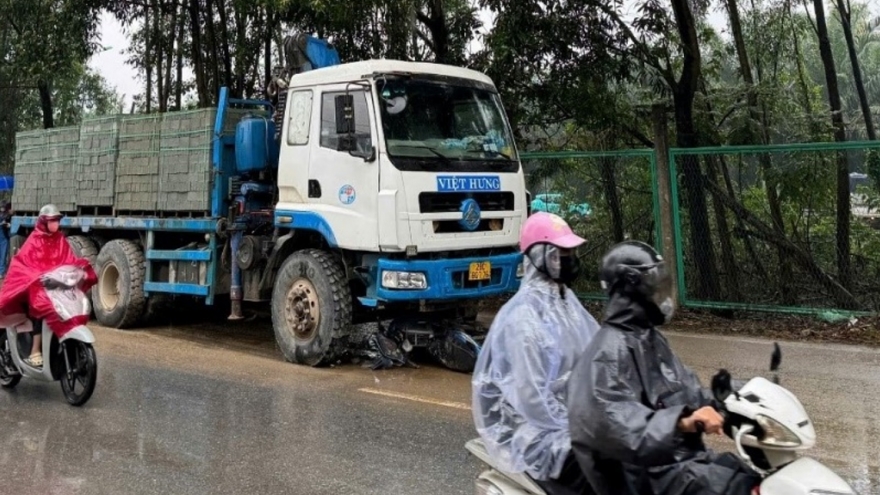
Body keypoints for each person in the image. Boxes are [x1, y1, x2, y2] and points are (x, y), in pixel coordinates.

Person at [567, 241, 761, 495]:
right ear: (631, 286)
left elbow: (684, 392)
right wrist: (683, 422)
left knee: (752, 476)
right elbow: (616, 424)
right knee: (740, 488)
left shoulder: (648, 338)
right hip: (645, 477)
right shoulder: (606, 354)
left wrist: (736, 395)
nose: (662, 294)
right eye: (654, 286)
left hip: (676, 462)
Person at [472, 212, 600, 495]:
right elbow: (532, 400)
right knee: (606, 469)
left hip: (570, 423)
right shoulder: (523, 318)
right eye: (561, 252)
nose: (569, 258)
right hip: (534, 435)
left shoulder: (566, 301)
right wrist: (581, 428)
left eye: (571, 251)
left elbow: (599, 355)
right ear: (541, 255)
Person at [0, 204, 96, 368]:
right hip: (35, 288)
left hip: (54, 286)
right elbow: (25, 265)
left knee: (72, 305)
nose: (55, 224)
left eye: (57, 220)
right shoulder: (34, 240)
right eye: (52, 221)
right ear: (44, 221)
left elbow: (69, 260)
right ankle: (35, 351)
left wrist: (78, 270)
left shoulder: (60, 240)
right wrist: (36, 277)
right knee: (41, 308)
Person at [0, 201, 11, 279]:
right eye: (1, 207)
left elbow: (10, 225)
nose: (2, 208)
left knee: (3, 256)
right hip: (2, 237)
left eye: (3, 207)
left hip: (4, 238)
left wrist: (8, 225)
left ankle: (1, 272)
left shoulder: (8, 215)